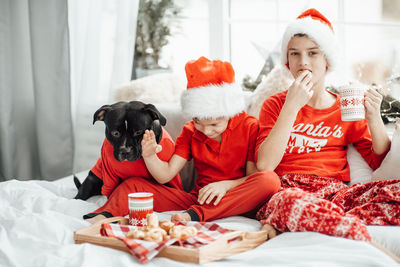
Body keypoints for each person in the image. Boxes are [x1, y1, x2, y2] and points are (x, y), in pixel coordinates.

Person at [255, 8, 400, 241]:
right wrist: (291, 107)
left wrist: (374, 119)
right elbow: (264, 165)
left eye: (312, 53)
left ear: (327, 60)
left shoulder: (345, 107)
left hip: (335, 194)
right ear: (287, 61)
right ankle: (348, 228)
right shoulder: (275, 104)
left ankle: (318, 219)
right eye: (294, 54)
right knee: (289, 202)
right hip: (288, 191)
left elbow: (379, 163)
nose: (303, 62)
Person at [140, 56, 281, 223]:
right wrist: (149, 156)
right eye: (198, 122)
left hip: (238, 198)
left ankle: (196, 215)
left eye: (214, 124)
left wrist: (225, 186)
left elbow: (253, 177)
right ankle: (102, 217)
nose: (206, 131)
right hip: (202, 199)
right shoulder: (190, 130)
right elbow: (165, 175)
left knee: (269, 180)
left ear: (229, 113)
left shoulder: (249, 126)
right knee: (133, 186)